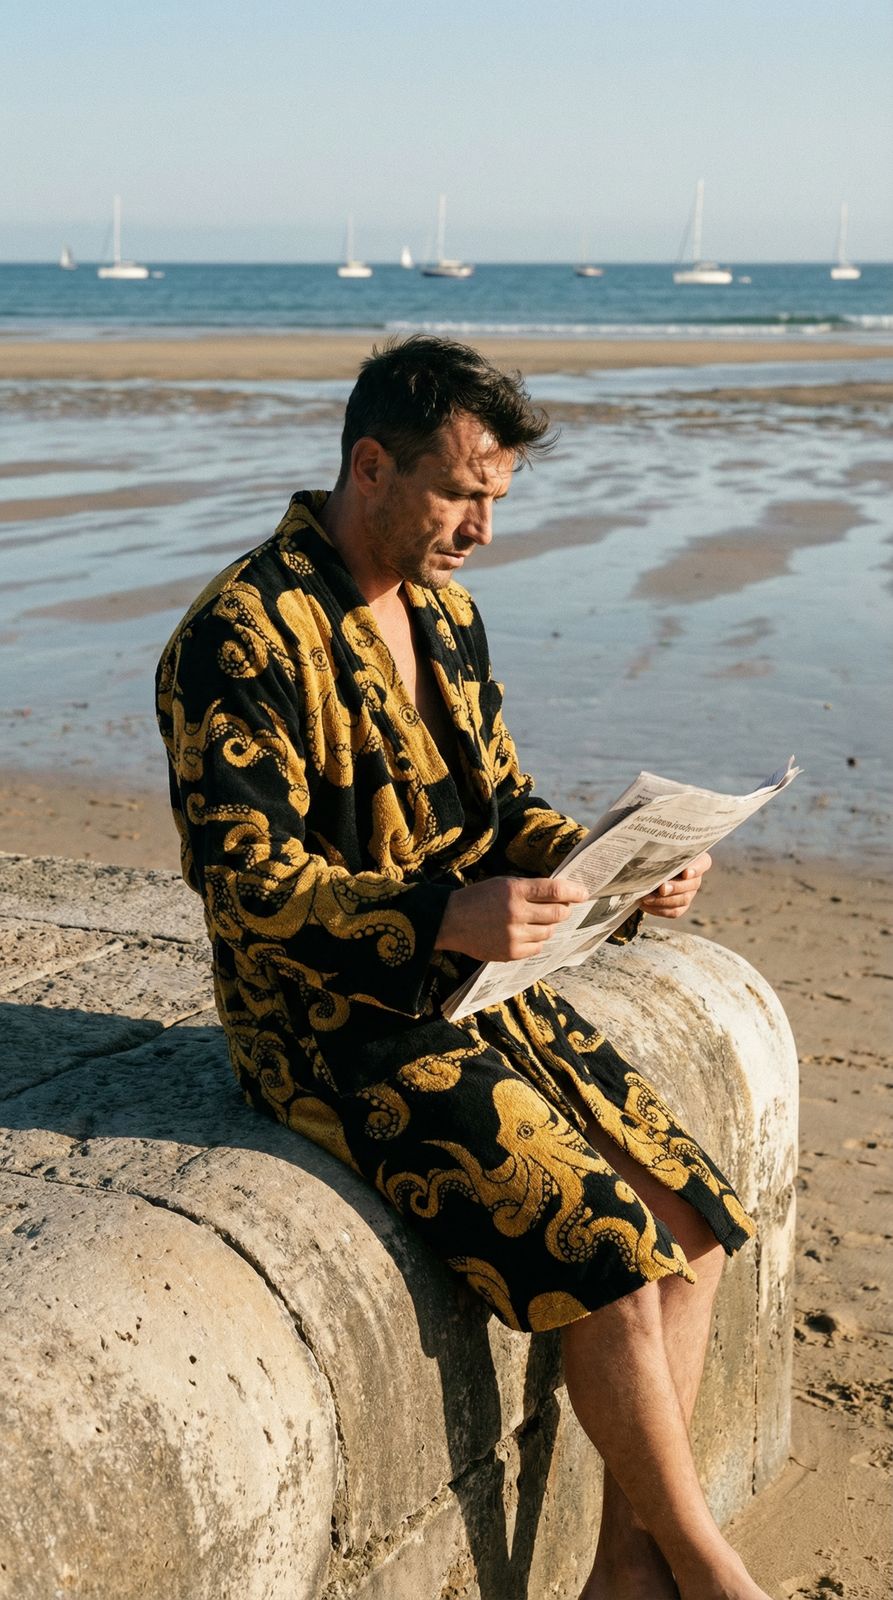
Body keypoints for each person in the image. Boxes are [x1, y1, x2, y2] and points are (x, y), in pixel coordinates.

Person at [156, 336, 771, 1600]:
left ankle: (621, 1571)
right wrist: (447, 913)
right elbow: (246, 885)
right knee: (596, 1239)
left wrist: (604, 864)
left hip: (476, 991)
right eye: (461, 493)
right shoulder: (235, 637)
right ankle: (706, 1570)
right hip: (324, 1023)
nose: (483, 527)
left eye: (497, 498)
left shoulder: (442, 612)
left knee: (690, 1220)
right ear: (369, 466)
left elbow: (497, 805)